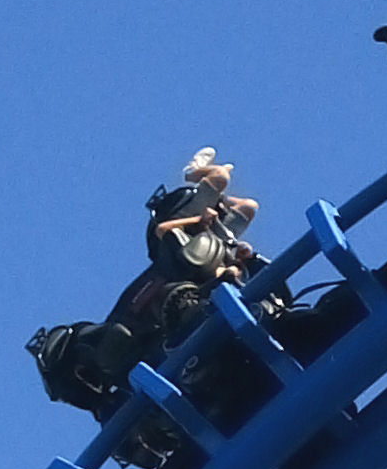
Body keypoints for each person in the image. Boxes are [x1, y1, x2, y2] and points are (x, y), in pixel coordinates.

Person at [27, 147, 260, 424]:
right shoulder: (174, 252)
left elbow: (242, 212)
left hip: (194, 282)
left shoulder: (185, 249)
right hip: (182, 316)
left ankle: (195, 173)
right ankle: (195, 174)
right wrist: (210, 232)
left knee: (222, 241)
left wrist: (210, 221)